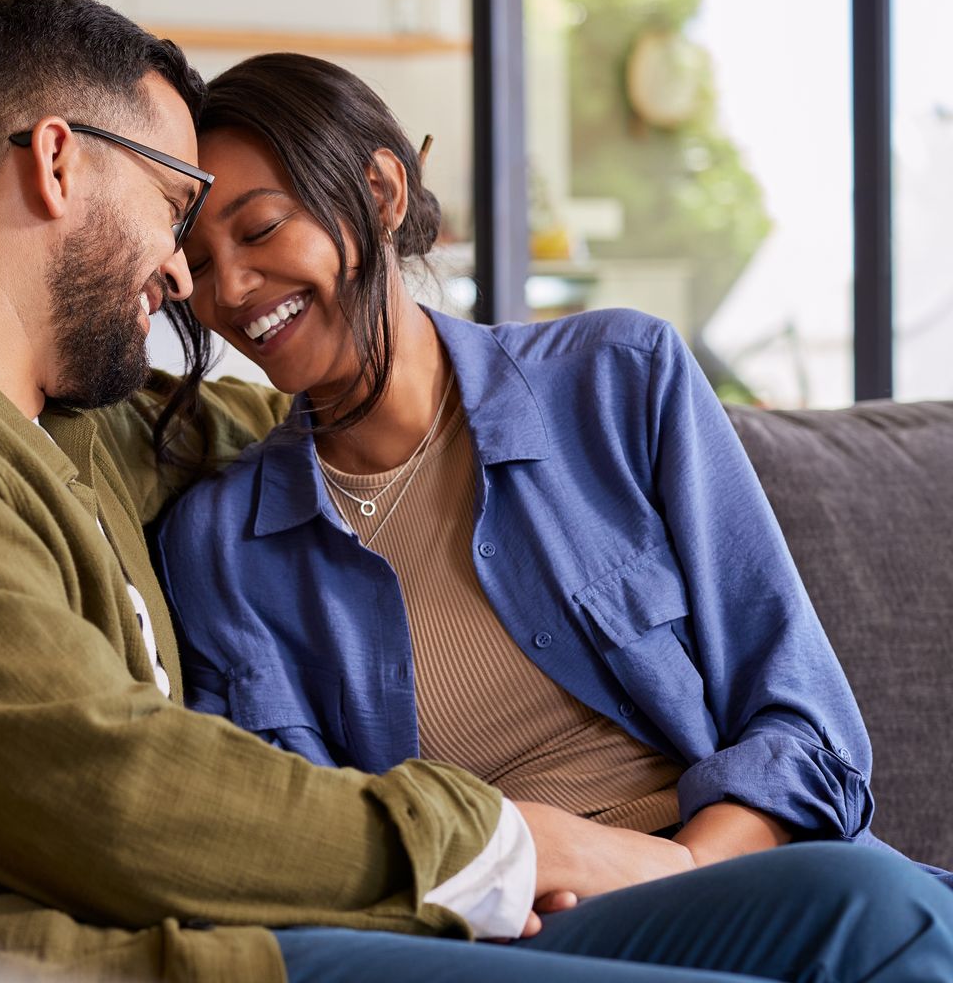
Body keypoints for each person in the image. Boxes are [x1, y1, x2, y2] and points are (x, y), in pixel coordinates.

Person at [0, 0, 953, 983]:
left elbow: (319, 412)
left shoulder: (79, 432)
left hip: (288, 924)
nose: (193, 282)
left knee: (878, 903)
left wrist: (400, 374)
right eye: (178, 212)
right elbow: (112, 793)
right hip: (112, 956)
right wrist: (515, 842)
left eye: (238, 225)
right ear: (59, 164)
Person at [153, 49, 947, 888]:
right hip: (523, 925)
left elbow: (804, 719)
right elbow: (314, 843)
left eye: (261, 228)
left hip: (750, 872)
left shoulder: (619, 378)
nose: (231, 287)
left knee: (883, 901)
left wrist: (674, 868)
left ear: (381, 194)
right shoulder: (221, 548)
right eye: (197, 263)